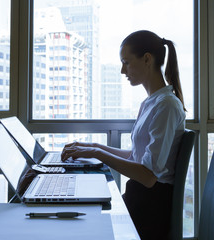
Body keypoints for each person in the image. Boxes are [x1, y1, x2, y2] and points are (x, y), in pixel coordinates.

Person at [61, 30, 186, 240]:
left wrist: (96, 153)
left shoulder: (166, 106)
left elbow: (147, 176)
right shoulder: (152, 103)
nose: (122, 70)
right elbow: (135, 157)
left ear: (147, 59)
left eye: (126, 62)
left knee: (82, 225)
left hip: (150, 208)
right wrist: (94, 147)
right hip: (141, 198)